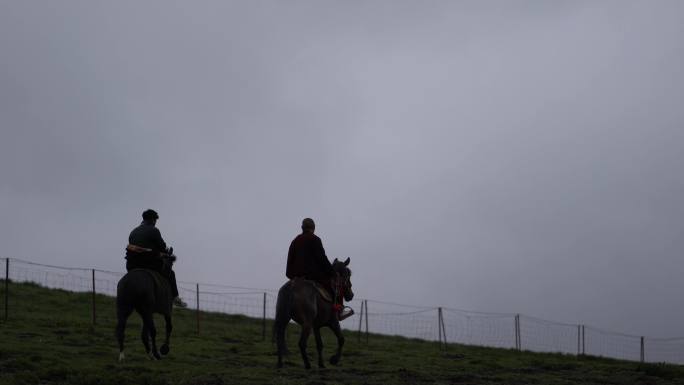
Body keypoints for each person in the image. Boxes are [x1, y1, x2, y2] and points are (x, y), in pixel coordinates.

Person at [287, 218, 350, 318]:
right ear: (313, 228)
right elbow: (322, 259)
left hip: (295, 277)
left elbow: (289, 260)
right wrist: (332, 272)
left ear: (302, 228)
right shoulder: (315, 239)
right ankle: (339, 310)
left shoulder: (294, 241)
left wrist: (291, 275)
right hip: (313, 276)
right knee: (334, 283)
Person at [125, 209, 186, 308]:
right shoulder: (154, 230)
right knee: (171, 273)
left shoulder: (133, 231)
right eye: (155, 221)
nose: (155, 223)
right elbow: (162, 246)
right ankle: (175, 298)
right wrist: (168, 253)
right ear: (153, 220)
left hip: (131, 264)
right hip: (148, 263)